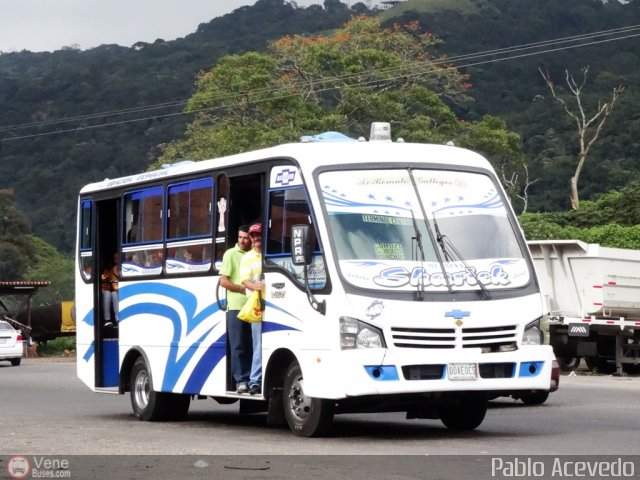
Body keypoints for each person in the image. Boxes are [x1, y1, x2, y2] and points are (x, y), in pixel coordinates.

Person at [219, 225, 253, 394]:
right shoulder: (231, 254)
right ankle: (241, 380)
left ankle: (253, 379)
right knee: (238, 345)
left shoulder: (255, 255)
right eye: (240, 237)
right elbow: (223, 281)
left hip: (254, 305)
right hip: (236, 306)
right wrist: (241, 289)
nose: (242, 241)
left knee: (252, 344)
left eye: (245, 237)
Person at [240, 223, 266, 395]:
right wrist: (255, 285)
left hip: (276, 305)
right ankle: (255, 381)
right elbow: (245, 280)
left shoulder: (269, 255)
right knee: (258, 345)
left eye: (258, 235)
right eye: (253, 236)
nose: (256, 238)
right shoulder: (247, 258)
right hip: (257, 306)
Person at [101, 253, 120, 327]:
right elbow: (114, 286)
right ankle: (108, 320)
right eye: (115, 258)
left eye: (118, 257)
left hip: (123, 289)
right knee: (109, 293)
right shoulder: (111, 271)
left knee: (114, 294)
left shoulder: (127, 267)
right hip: (114, 290)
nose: (117, 260)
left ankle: (118, 318)